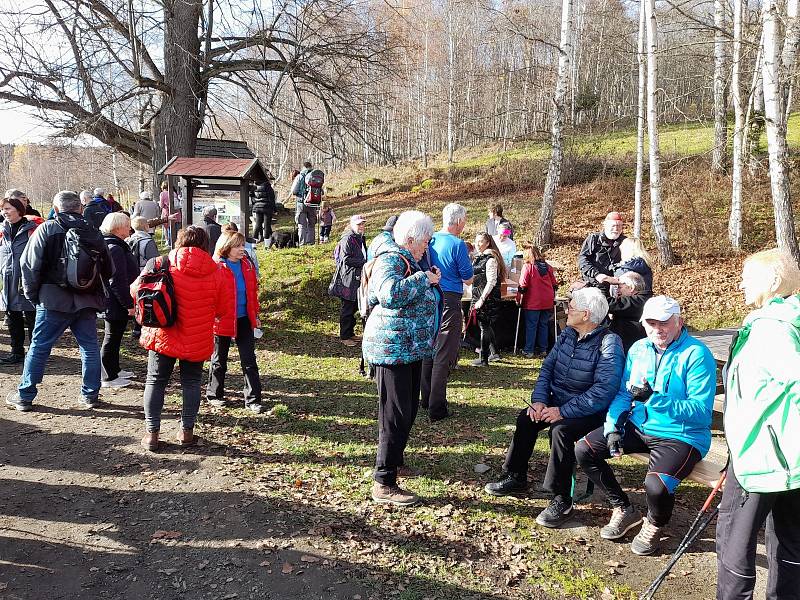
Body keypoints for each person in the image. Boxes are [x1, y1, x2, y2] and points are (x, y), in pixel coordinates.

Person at [575, 295, 717, 556]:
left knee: (656, 486)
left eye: (664, 323)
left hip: (681, 435)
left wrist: (654, 398)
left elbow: (700, 413)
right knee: (585, 449)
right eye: (650, 324)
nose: (657, 330)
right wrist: (613, 428)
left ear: (679, 322)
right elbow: (623, 393)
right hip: (640, 424)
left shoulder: (697, 355)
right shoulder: (639, 348)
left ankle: (654, 524)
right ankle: (624, 508)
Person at [485, 288, 624, 527]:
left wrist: (563, 411)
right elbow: (547, 369)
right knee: (526, 418)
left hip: (590, 411)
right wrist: (539, 400)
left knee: (560, 430)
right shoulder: (568, 334)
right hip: (558, 401)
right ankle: (515, 476)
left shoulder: (609, 342)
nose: (566, 310)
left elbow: (603, 391)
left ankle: (562, 499)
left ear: (587, 314)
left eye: (572, 307)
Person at [716, 249, 800, 599]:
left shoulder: (771, 331)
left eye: (746, 277)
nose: (739, 284)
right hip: (787, 458)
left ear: (772, 282)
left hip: (761, 458)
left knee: (733, 543)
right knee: (790, 543)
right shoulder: (784, 322)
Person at [5, 191, 113, 412]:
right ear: (80, 209)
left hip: (52, 299)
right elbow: (109, 268)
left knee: (39, 347)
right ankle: (90, 394)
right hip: (87, 300)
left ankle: (25, 396)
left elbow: (30, 265)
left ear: (56, 209)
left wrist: (33, 295)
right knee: (90, 348)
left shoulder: (47, 228)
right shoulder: (93, 230)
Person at [362, 210, 442, 506]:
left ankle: (394, 462)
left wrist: (427, 280)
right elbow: (388, 294)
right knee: (394, 415)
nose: (427, 246)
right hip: (392, 349)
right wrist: (424, 279)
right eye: (425, 241)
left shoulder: (408, 258)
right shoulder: (391, 258)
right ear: (410, 239)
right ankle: (383, 481)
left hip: (408, 348)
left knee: (406, 412)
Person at [132, 226, 234, 451]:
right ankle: (186, 433)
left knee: (155, 381)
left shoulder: (160, 263)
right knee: (191, 383)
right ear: (206, 245)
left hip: (163, 333)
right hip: (196, 336)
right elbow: (224, 310)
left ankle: (152, 435)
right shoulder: (218, 271)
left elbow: (136, 291)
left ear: (179, 241)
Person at [421, 204, 473, 420]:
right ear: (459, 222)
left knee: (429, 349)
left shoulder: (431, 240)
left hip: (431, 295)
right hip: (450, 299)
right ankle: (437, 407)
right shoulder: (458, 244)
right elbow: (468, 276)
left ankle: (426, 399)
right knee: (443, 353)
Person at [206, 229, 264, 413]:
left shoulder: (247, 264)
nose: (242, 249)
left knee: (249, 360)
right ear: (226, 247)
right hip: (222, 319)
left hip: (244, 318)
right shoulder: (215, 267)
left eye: (243, 245)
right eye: (237, 246)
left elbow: (253, 293)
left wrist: (255, 315)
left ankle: (253, 399)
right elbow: (209, 296)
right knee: (219, 359)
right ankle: (215, 394)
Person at [99, 212, 138, 388]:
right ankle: (108, 376)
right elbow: (116, 280)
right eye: (127, 224)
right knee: (112, 337)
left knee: (116, 337)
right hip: (114, 301)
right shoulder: (114, 248)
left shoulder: (114, 245)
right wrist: (128, 304)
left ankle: (114, 369)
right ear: (117, 227)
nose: (130, 228)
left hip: (114, 300)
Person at [0, 196, 40, 364]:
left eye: (8, 208)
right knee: (12, 316)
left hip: (27, 281)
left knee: (32, 317)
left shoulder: (33, 230)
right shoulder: (2, 230)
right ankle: (17, 352)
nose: (4, 212)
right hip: (7, 280)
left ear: (19, 210)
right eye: (3, 209)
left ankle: (35, 353)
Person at [329, 215, 367, 346]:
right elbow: (345, 259)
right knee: (347, 307)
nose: (361, 226)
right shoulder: (348, 238)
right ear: (352, 224)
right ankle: (344, 336)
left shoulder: (360, 237)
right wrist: (365, 262)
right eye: (359, 224)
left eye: (363, 224)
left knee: (354, 305)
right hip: (348, 278)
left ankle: (350, 333)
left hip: (357, 276)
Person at [470, 232, 506, 367]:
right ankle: (494, 352)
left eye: (480, 241)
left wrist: (482, 299)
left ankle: (484, 359)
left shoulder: (491, 259)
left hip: (488, 298)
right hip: (479, 295)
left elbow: (491, 281)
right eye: (476, 241)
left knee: (484, 326)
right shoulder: (480, 257)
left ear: (487, 243)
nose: (477, 244)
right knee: (485, 325)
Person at [518, 245, 558, 359]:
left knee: (531, 325)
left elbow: (523, 285)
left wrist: (518, 298)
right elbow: (554, 284)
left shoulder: (528, 267)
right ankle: (543, 349)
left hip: (533, 301)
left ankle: (529, 350)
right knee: (543, 325)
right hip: (547, 300)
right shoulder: (548, 267)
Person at [126, 216, 159, 341]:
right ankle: (139, 326)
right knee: (143, 300)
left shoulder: (128, 239)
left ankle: (132, 324)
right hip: (143, 273)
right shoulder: (148, 241)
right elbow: (154, 260)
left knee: (132, 298)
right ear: (146, 226)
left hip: (130, 273)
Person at [577, 211, 626, 288]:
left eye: (619, 225)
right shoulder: (593, 239)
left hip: (617, 285)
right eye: (613, 225)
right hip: (593, 283)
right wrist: (596, 275)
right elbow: (583, 260)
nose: (616, 229)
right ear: (605, 225)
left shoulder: (625, 242)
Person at [606, 271, 650, 353]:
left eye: (620, 287)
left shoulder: (641, 301)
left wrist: (605, 282)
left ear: (631, 288)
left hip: (632, 352)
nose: (617, 291)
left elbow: (606, 304)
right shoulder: (637, 301)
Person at [292, 162, 317, 245]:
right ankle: (311, 242)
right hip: (313, 203)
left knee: (302, 224)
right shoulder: (316, 176)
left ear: (303, 167)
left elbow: (294, 191)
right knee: (311, 224)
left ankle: (302, 243)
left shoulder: (300, 176)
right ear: (311, 167)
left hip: (301, 203)